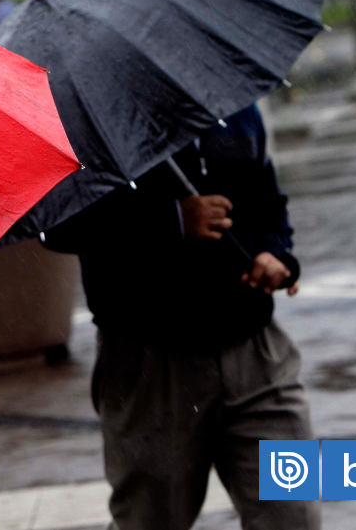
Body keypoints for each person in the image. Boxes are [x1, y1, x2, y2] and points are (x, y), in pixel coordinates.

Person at [41, 105, 317, 529]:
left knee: (292, 517)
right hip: (150, 362)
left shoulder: (230, 100)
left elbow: (266, 197)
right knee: (150, 520)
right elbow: (59, 226)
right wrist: (171, 222)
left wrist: (275, 252)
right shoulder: (86, 120)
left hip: (257, 354)